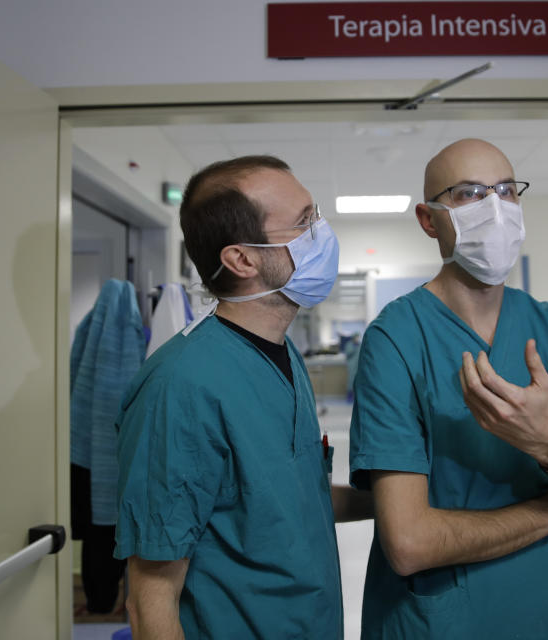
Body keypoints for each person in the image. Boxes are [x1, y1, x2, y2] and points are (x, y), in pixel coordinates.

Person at [349, 139, 548, 638]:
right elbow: (410, 543)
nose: (496, 208)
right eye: (469, 194)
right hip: (447, 621)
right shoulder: (396, 339)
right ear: (429, 220)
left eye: (507, 191)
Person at [114, 155, 372, 639]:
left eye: (314, 216)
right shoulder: (181, 387)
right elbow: (151, 602)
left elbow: (288, 502)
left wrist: (397, 497)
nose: (321, 232)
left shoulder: (282, 354)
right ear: (243, 259)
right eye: (304, 223)